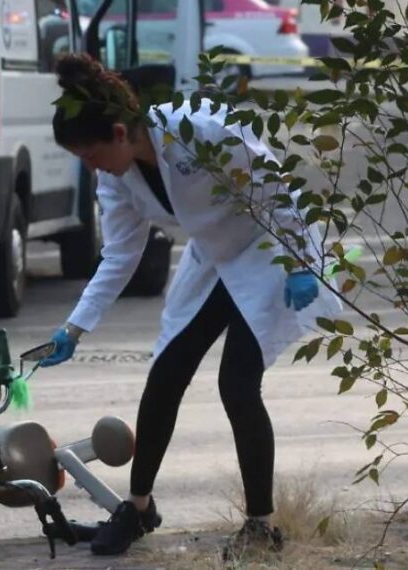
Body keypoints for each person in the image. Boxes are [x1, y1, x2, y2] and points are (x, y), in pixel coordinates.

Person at [39, 53, 342, 558]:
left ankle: (261, 526)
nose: (91, 168)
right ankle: (137, 508)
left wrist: (298, 263)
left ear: (118, 133)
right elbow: (120, 254)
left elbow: (275, 183)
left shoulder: (194, 131)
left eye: (91, 156)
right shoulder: (115, 177)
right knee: (168, 370)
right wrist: (75, 327)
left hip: (270, 249)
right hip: (215, 258)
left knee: (237, 383)